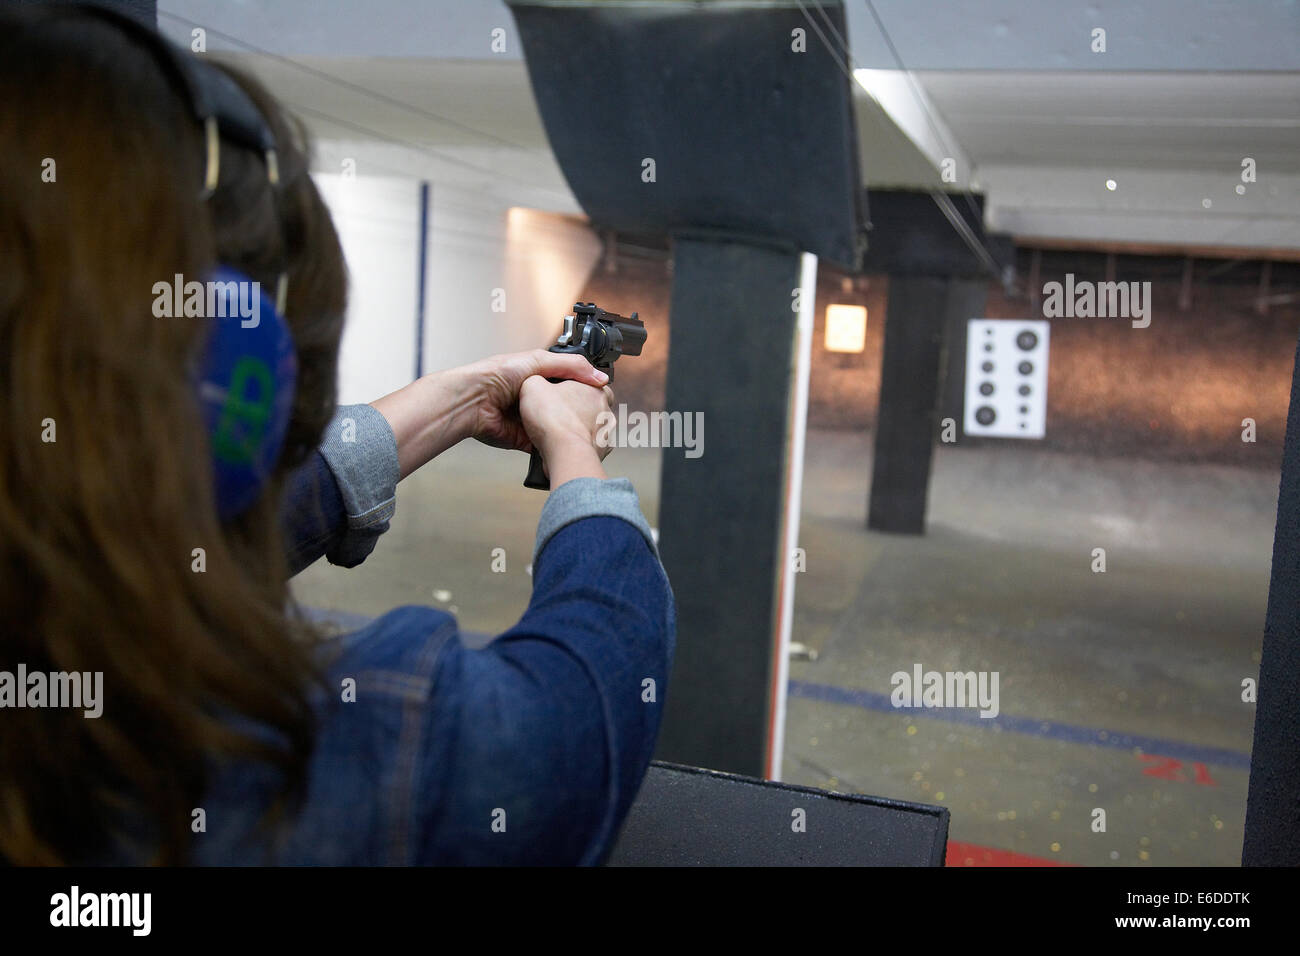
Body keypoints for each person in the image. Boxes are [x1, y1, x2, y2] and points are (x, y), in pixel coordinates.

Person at [0, 5, 675, 865]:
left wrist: (466, 400)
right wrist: (576, 456)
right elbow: (584, 711)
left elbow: (164, 536)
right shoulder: (323, 756)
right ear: (238, 386)